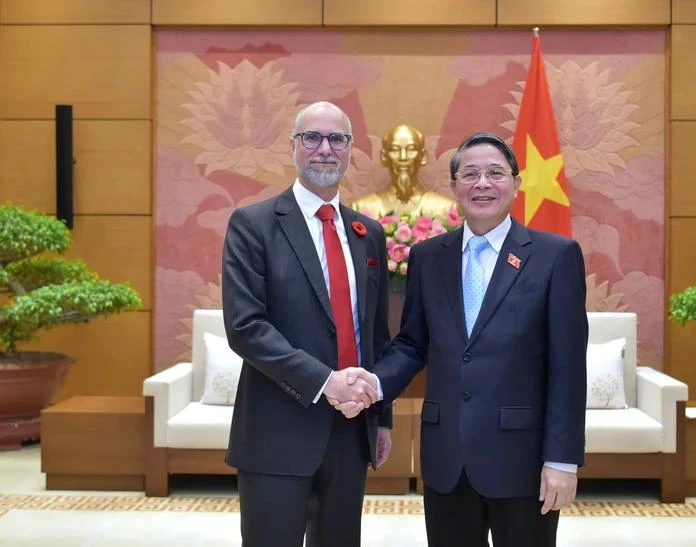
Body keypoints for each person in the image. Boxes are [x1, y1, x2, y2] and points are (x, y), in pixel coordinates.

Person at [336, 132, 588, 547]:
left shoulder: (554, 256)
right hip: (446, 459)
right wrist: (374, 385)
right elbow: (413, 344)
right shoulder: (428, 256)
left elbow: (568, 366)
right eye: (470, 174)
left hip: (522, 461)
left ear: (516, 183)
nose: (482, 183)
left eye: (495, 173)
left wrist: (562, 459)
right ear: (453, 187)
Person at [221, 101, 392, 547]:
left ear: (351, 149)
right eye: (311, 138)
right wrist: (326, 382)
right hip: (276, 430)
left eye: (337, 139)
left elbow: (374, 334)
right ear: (293, 147)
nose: (324, 149)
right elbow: (246, 327)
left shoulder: (368, 232)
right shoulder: (253, 224)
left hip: (351, 432)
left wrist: (382, 418)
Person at [351, 124, 456, 217]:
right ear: (384, 157)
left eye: (411, 149)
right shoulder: (361, 209)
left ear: (423, 156)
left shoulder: (446, 209)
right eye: (395, 150)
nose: (403, 157)